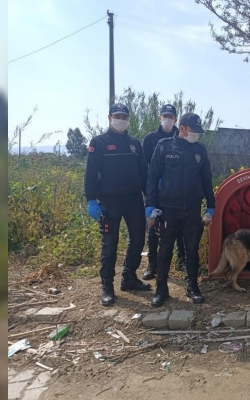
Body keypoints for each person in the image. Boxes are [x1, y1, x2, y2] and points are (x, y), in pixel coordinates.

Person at [84, 103, 152, 306]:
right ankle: (107, 286)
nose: (120, 120)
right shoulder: (98, 142)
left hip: (133, 200)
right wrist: (91, 200)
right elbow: (90, 173)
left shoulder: (134, 144)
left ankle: (129, 278)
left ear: (128, 119)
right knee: (110, 245)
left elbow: (144, 174)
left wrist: (150, 200)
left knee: (138, 240)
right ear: (109, 118)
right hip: (109, 201)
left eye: (124, 117)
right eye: (117, 116)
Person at [146, 112, 215, 307]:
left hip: (192, 208)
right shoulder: (164, 146)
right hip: (168, 208)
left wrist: (211, 206)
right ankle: (161, 289)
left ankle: (193, 287)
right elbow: (152, 177)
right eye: (193, 130)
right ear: (182, 128)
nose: (196, 135)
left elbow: (206, 179)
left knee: (191, 249)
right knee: (165, 249)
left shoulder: (200, 150)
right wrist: (150, 205)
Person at [141, 104, 186, 280]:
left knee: (180, 228)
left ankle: (182, 261)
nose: (167, 119)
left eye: (171, 116)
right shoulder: (150, 139)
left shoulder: (182, 137)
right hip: (156, 192)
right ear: (160, 117)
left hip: (176, 193)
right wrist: (149, 192)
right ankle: (152, 264)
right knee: (153, 228)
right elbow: (144, 168)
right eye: (165, 115)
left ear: (175, 119)